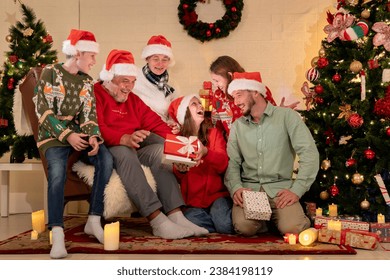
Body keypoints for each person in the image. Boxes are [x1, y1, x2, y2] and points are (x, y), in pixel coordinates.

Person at [94, 49, 208, 239]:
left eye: (132, 82)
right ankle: (157, 220)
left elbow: (156, 124)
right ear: (109, 78)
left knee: (161, 145)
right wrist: (124, 138)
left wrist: (188, 148)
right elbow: (96, 127)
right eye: (124, 81)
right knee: (124, 150)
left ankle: (175, 215)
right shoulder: (95, 94)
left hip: (133, 148)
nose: (129, 87)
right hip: (107, 150)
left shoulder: (133, 100)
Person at [34, 29, 114, 259]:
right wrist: (67, 135)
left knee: (106, 158)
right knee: (57, 173)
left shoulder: (86, 82)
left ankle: (93, 219)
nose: (94, 61)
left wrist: (93, 137)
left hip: (78, 136)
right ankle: (57, 231)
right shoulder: (50, 73)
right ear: (78, 53)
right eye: (91, 56)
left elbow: (88, 115)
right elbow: (44, 111)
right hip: (53, 136)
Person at [224, 71, 319, 237]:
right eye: (233, 97)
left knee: (293, 228)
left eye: (239, 95)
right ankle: (269, 222)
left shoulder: (287, 116)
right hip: (250, 190)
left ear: (255, 92)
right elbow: (233, 162)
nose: (236, 101)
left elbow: (309, 153)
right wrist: (236, 188)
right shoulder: (238, 126)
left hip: (280, 189)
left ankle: (280, 219)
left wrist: (296, 190)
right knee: (244, 228)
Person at [167, 95, 234, 234]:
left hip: (217, 196)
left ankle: (218, 222)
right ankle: (214, 222)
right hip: (193, 201)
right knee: (192, 221)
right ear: (184, 113)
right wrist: (181, 170)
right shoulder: (178, 139)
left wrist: (206, 152)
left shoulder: (214, 134)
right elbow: (177, 175)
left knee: (225, 225)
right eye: (194, 104)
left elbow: (223, 164)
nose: (200, 106)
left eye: (200, 103)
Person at [209, 55, 300, 138]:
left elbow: (271, 116)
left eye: (217, 80)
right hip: (232, 148)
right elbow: (216, 127)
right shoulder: (218, 96)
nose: (215, 84)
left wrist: (280, 112)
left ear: (229, 75)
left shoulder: (257, 90)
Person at [132, 34, 178, 128]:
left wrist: (173, 123)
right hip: (137, 128)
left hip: (160, 128)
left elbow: (173, 114)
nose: (160, 64)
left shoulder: (172, 85)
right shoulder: (133, 75)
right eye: (155, 59)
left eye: (164, 60)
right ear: (147, 59)